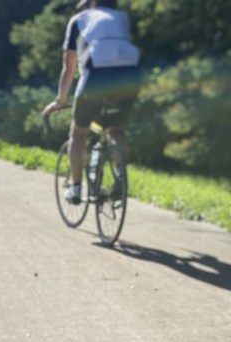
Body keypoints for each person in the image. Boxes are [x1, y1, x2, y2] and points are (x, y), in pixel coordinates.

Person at [42, 0, 140, 202]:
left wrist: (60, 101)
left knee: (78, 134)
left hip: (97, 77)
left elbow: (69, 68)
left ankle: (76, 189)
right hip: (130, 77)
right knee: (115, 128)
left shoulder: (79, 19)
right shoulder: (122, 18)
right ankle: (121, 174)